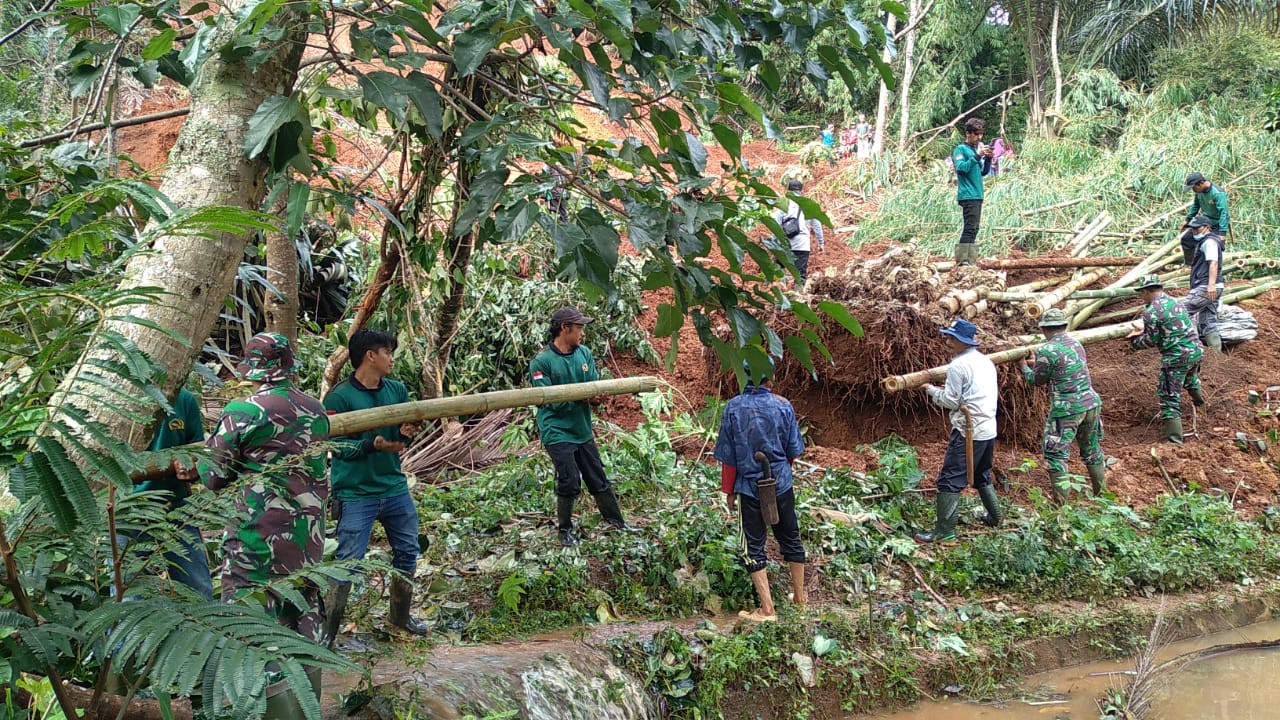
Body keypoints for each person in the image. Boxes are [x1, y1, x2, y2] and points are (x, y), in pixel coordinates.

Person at [200, 332, 330, 641]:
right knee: (302, 620)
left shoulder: (243, 412)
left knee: (248, 631)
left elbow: (212, 476)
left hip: (256, 542)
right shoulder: (316, 410)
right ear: (290, 367)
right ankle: (304, 687)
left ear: (253, 369)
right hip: (307, 540)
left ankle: (257, 689)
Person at [323, 328, 429, 639]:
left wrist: (408, 432)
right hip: (356, 493)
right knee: (348, 562)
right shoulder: (339, 397)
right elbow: (335, 446)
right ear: (371, 355)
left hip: (393, 486)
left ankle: (400, 618)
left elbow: (401, 434)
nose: (392, 358)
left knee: (408, 551)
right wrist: (371, 446)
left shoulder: (396, 390)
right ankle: (328, 632)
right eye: (388, 352)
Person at [530, 307, 636, 546]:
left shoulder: (584, 354)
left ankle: (616, 522)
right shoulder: (542, 362)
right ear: (564, 328)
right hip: (557, 430)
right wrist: (580, 396)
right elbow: (546, 400)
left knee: (596, 475)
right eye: (578, 328)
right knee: (569, 480)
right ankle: (564, 530)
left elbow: (592, 386)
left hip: (581, 429)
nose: (582, 334)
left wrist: (598, 396)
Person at [714, 359, 806, 623]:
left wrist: (728, 491)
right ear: (770, 379)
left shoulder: (733, 408)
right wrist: (781, 475)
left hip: (750, 488)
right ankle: (799, 598)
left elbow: (729, 459)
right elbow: (792, 452)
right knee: (790, 536)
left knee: (752, 545)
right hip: (782, 484)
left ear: (744, 377)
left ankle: (767, 609)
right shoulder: (783, 406)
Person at [914, 319, 1000, 544]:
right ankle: (995, 517)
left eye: (953, 339)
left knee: (949, 479)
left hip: (968, 429)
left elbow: (951, 401)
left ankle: (945, 532)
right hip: (988, 427)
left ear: (965, 342)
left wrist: (931, 390)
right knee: (981, 473)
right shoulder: (985, 362)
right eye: (948, 337)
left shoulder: (957, 366)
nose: (948, 342)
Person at [127, 387, 214, 600]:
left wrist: (192, 469)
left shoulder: (184, 400)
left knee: (198, 588)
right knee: (130, 596)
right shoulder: (121, 397)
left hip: (176, 508)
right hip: (129, 511)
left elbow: (196, 451)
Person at [1018, 309, 1107, 500]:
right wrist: (1039, 362)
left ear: (1043, 329)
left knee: (1056, 454)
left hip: (1067, 408)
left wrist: (1023, 367)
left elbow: (1037, 380)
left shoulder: (1046, 350)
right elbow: (1065, 366)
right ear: (1064, 326)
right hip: (1090, 402)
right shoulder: (1076, 343)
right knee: (1092, 450)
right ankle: (1102, 496)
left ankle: (1062, 507)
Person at [1126, 275, 1205, 445]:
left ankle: (1174, 441)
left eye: (1142, 292)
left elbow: (1151, 340)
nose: (1141, 296)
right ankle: (1201, 404)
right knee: (1190, 379)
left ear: (1147, 291)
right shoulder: (1176, 302)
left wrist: (1134, 342)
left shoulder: (1151, 312)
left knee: (1169, 396)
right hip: (1196, 350)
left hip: (1177, 357)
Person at [952, 118, 993, 266]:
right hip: (968, 195)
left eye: (981, 134)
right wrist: (978, 155)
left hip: (977, 194)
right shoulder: (960, 150)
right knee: (969, 228)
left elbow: (983, 172)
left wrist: (988, 158)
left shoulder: (974, 151)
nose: (979, 138)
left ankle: (970, 261)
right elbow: (961, 168)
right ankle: (962, 262)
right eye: (976, 134)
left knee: (975, 228)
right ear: (968, 133)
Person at [1182, 215, 1226, 352]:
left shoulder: (1209, 242)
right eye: (1193, 229)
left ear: (1207, 227)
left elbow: (1213, 262)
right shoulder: (1208, 241)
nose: (1194, 231)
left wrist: (1210, 285)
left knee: (1182, 311)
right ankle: (1216, 359)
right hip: (1214, 287)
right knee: (1208, 320)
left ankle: (1193, 349)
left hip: (1206, 287)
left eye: (1197, 228)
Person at [773, 179, 824, 284]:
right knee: (800, 275)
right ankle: (798, 296)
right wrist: (821, 243)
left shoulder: (783, 204)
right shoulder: (809, 205)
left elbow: (775, 225)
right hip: (802, 244)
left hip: (785, 244)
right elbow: (817, 226)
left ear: (788, 190)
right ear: (801, 190)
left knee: (778, 270)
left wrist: (773, 242)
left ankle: (781, 293)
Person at [1179, 172, 1229, 265]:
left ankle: (1213, 270)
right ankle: (1190, 265)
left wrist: (1222, 233)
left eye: (1194, 187)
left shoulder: (1217, 193)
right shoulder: (1199, 192)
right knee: (1186, 240)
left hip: (1216, 224)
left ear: (1201, 183)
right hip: (1204, 222)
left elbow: (1224, 213)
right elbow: (1196, 205)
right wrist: (1187, 220)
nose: (1193, 190)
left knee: (1211, 246)